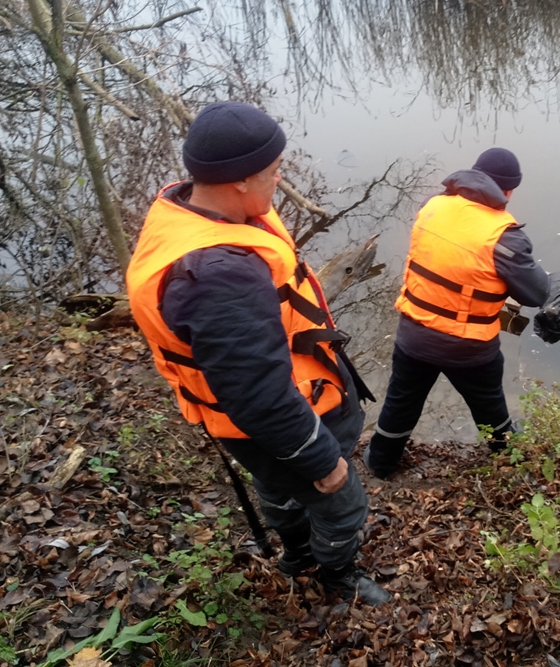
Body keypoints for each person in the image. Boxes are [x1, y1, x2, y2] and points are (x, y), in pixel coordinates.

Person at [126, 101, 390, 606]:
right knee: (341, 500)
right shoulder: (218, 274)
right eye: (273, 170)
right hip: (281, 419)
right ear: (240, 180)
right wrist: (322, 460)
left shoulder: (192, 210)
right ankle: (337, 576)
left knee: (276, 485)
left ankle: (294, 553)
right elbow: (258, 396)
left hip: (266, 413)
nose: (280, 178)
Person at [363, 147, 550, 479]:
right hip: (468, 348)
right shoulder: (505, 236)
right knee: (490, 408)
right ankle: (511, 460)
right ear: (508, 191)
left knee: (400, 403)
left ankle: (379, 463)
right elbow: (535, 294)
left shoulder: (433, 206)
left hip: (413, 335)